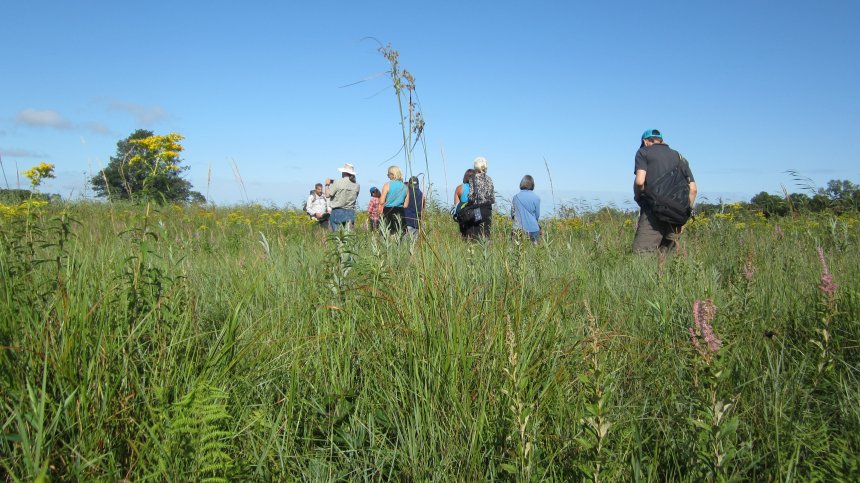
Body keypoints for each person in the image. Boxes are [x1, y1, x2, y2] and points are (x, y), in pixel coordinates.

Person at [632, 129, 697, 253]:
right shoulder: (679, 156)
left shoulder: (643, 152)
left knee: (642, 255)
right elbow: (693, 189)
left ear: (645, 141)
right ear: (661, 141)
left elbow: (640, 181)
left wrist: (639, 197)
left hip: (653, 210)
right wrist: (685, 211)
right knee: (666, 256)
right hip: (678, 214)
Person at [464, 156, 495, 240]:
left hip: (477, 209)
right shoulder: (489, 179)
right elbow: (492, 198)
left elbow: (471, 197)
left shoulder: (473, 178)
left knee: (476, 233)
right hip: (488, 209)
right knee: (486, 233)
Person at [325, 163, 360, 231]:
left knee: (336, 236)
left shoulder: (338, 182)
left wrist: (327, 185)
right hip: (350, 212)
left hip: (337, 212)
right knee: (348, 237)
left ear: (343, 172)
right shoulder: (357, 185)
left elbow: (327, 195)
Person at [379, 165, 409, 235]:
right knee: (400, 233)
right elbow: (406, 205)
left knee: (388, 233)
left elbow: (381, 201)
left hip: (388, 211)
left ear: (392, 174)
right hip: (400, 212)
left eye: (388, 174)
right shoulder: (405, 187)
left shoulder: (387, 185)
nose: (388, 176)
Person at [511, 175, 541, 243]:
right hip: (533, 229)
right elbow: (537, 215)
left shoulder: (515, 197)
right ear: (533, 184)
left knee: (517, 251)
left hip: (518, 229)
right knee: (534, 252)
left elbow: (512, 214)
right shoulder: (537, 198)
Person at [453, 169, 475, 238]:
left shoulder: (459, 188)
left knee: (463, 235)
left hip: (462, 213)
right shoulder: (476, 188)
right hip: (473, 213)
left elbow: (456, 205)